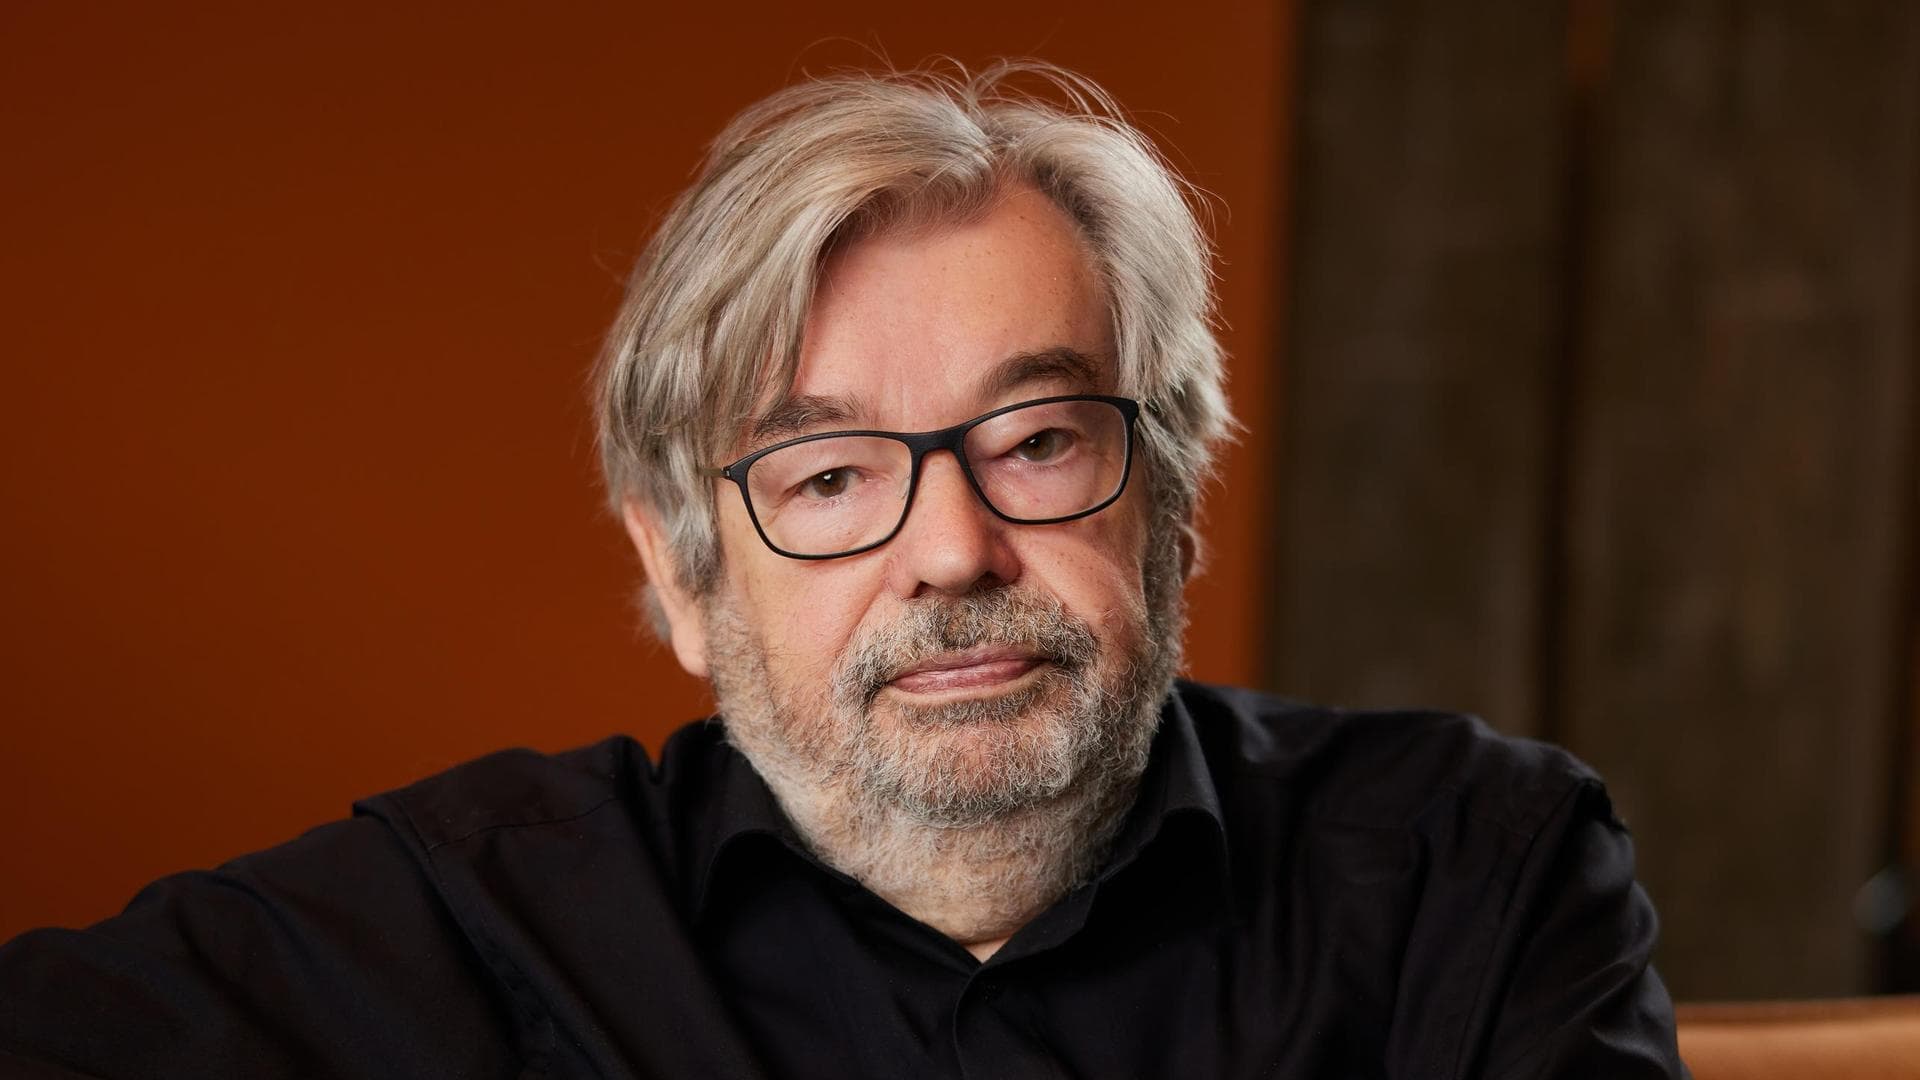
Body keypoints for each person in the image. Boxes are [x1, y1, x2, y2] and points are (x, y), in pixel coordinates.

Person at [0, 61, 1687, 1078]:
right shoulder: (475, 914)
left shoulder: (1475, 869)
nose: (950, 551)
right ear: (683, 575)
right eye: (827, 476)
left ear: (1173, 497)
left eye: (1038, 443)